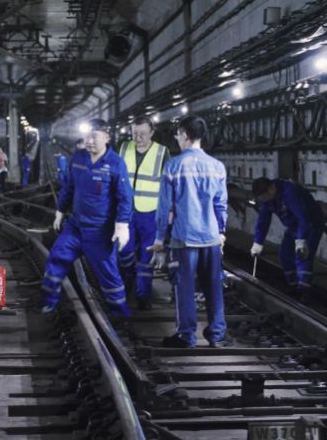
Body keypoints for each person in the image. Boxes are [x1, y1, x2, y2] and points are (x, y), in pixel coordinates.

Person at [150, 115, 228, 348]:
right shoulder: (217, 166)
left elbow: (164, 206)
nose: (177, 138)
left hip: (184, 239)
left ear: (185, 135)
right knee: (213, 286)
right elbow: (221, 204)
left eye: (177, 135)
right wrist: (221, 231)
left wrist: (159, 237)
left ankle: (186, 336)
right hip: (211, 238)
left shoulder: (174, 166)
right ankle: (217, 335)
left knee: (184, 286)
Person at [41, 119, 133, 316]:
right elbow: (68, 186)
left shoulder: (116, 163)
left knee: (108, 275)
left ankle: (120, 314)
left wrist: (122, 225)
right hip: (75, 227)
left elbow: (125, 197)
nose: (89, 141)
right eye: (86, 137)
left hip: (100, 231)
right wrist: (60, 211)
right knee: (55, 259)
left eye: (94, 137)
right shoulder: (78, 158)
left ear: (107, 137)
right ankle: (50, 303)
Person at [117, 115, 169, 309]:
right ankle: (129, 277)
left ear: (152, 133)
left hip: (150, 212)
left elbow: (168, 186)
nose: (138, 138)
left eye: (142, 134)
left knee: (146, 256)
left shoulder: (162, 152)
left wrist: (168, 211)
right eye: (134, 133)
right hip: (125, 211)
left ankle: (142, 296)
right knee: (125, 250)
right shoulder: (123, 148)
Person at [250, 178, 324, 302]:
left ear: (271, 189)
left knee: (302, 256)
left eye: (264, 198)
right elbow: (263, 220)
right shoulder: (268, 199)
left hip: (310, 224)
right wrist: (258, 242)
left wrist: (301, 240)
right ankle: (294, 286)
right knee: (285, 255)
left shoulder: (290, 192)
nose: (264, 201)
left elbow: (303, 217)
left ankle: (304, 292)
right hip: (294, 226)